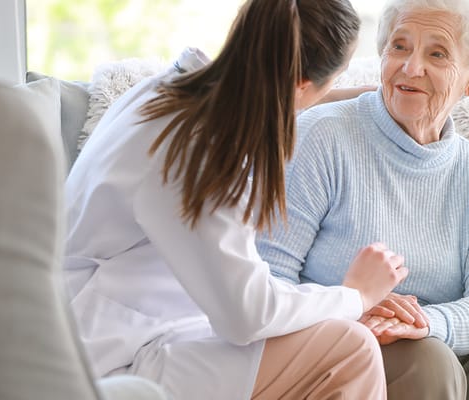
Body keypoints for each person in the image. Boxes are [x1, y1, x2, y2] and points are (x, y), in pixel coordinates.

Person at [61, 0, 405, 399]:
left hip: (120, 323)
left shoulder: (166, 91)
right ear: (300, 85)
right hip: (110, 355)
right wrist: (356, 295)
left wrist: (335, 97)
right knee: (350, 349)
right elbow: (247, 314)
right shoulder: (202, 150)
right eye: (331, 81)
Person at [256, 0, 469, 399]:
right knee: (425, 362)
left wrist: (425, 322)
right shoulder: (320, 137)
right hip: (339, 346)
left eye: (436, 53)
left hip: (431, 338)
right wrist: (351, 306)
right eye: (400, 47)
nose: (411, 68)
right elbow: (267, 278)